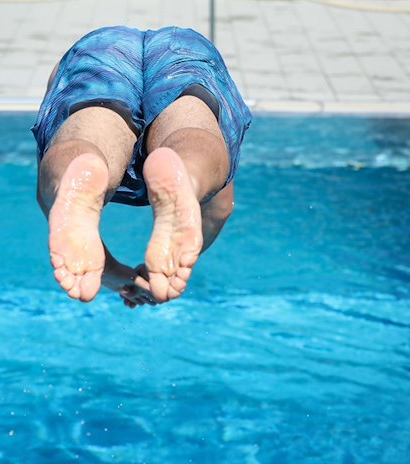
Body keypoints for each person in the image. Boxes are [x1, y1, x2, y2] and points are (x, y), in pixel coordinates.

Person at [32, 26, 252, 307]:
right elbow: (219, 208)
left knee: (91, 126)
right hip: (184, 51)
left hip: (104, 47)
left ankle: (81, 168)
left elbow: (47, 193)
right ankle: (187, 174)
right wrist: (166, 266)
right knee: (188, 123)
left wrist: (109, 272)